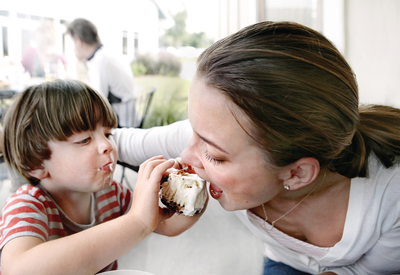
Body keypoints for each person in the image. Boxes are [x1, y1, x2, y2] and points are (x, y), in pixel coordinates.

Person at [112, 21, 400, 274]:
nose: (187, 156)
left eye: (214, 156)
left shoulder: (391, 199)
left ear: (297, 173)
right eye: (194, 131)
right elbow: (113, 143)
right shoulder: (210, 135)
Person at [0, 80, 205, 274]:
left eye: (108, 134)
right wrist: (137, 222)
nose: (107, 145)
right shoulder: (27, 205)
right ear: (37, 164)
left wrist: (193, 195)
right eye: (84, 140)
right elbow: (18, 269)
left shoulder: (112, 194)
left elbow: (167, 225)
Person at [66, 18, 139, 128]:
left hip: (122, 125)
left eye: (73, 42)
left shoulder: (100, 63)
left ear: (78, 40)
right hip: (131, 117)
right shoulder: (106, 54)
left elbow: (96, 102)